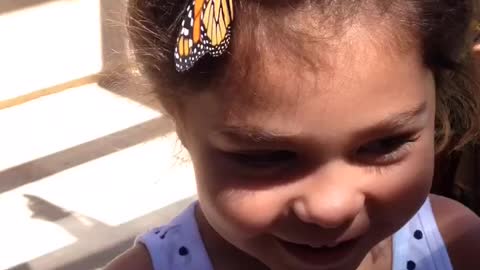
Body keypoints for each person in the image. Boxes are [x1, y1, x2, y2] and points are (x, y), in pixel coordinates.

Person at [105, 0, 480, 269]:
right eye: (265, 157)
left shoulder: (458, 246)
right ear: (178, 119)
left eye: (385, 145)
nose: (330, 208)